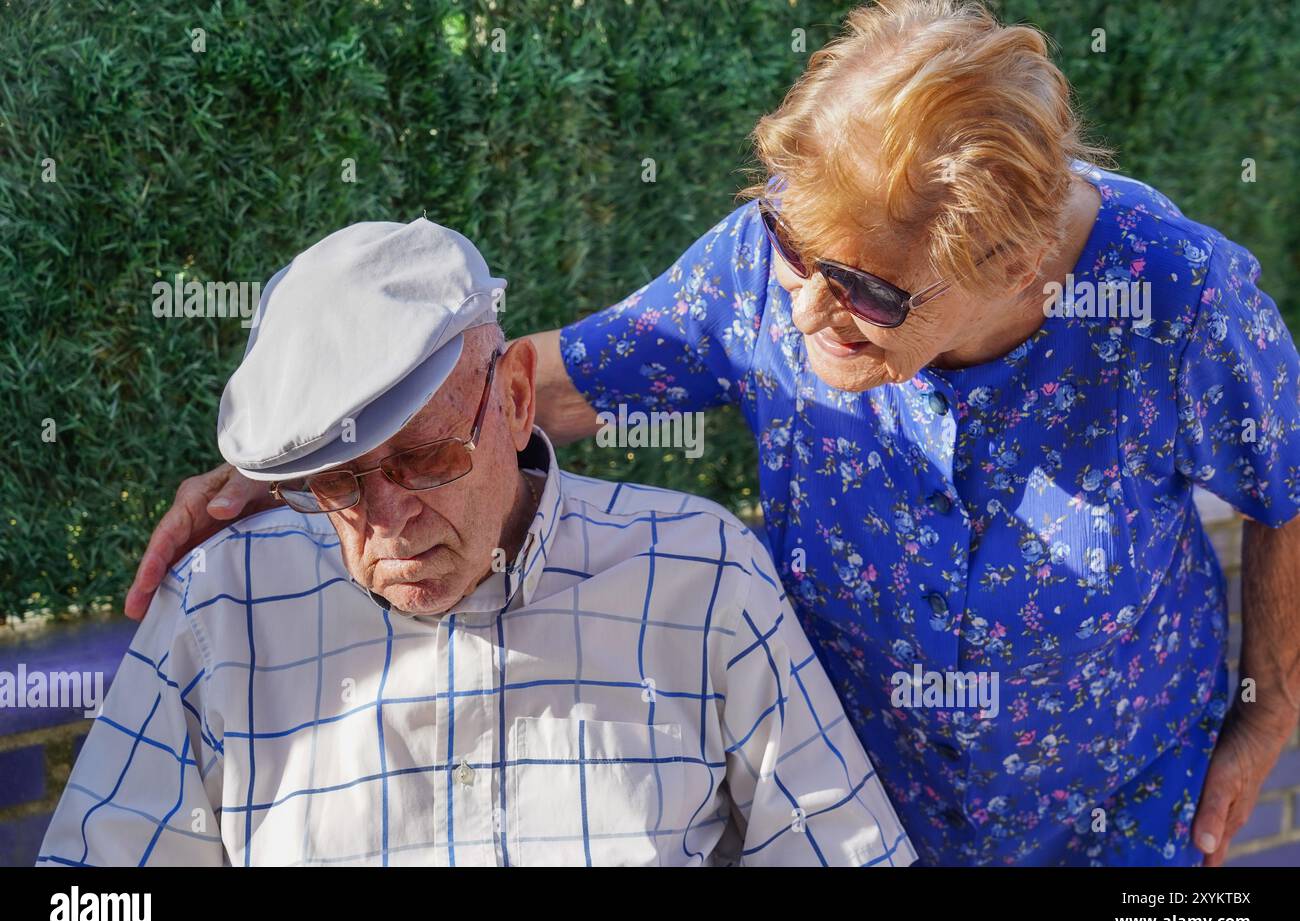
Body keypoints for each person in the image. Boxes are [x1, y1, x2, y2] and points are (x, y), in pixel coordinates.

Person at [123, 0, 1300, 865]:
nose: (799, 312)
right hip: (854, 820)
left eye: (866, 292)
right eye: (792, 252)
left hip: (1120, 820)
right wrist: (285, 460)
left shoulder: (1174, 301)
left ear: (1011, 261)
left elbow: (1287, 478)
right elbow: (517, 386)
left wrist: (1269, 714)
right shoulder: (768, 273)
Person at [39, 218, 913, 867]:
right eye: (337, 480)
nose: (387, 519)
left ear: (519, 399)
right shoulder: (220, 608)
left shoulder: (702, 575)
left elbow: (843, 850)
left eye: (423, 458)